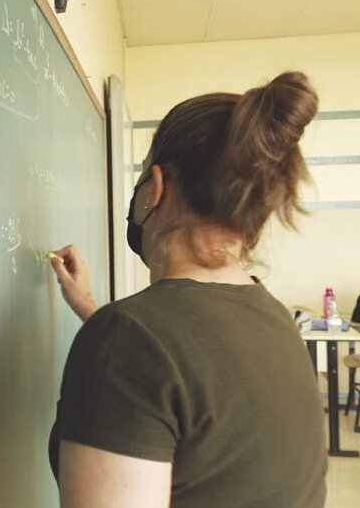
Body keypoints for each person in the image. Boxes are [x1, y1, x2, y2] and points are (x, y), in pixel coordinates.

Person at [48, 71, 327, 508]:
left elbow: (155, 360)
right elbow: (185, 368)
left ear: (155, 188)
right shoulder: (274, 318)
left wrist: (110, 333)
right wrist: (90, 308)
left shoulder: (129, 340)